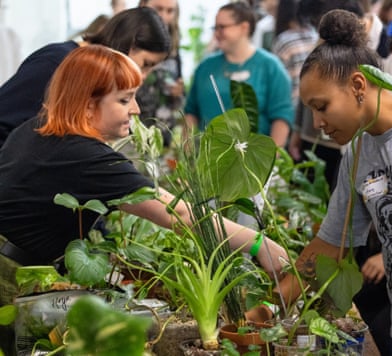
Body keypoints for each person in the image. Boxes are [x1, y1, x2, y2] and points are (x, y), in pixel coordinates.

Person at [0, 45, 287, 355]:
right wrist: (259, 244)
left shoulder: (37, 129)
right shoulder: (86, 156)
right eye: (124, 100)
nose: (136, 109)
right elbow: (180, 214)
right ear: (86, 106)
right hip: (10, 278)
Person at [247, 8, 392, 355]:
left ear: (357, 85)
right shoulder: (357, 154)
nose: (317, 122)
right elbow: (330, 245)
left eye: (321, 106)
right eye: (310, 110)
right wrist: (270, 308)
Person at [0, 7, 170, 149]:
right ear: (125, 43)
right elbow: (5, 118)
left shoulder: (98, 78)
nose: (143, 76)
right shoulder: (55, 62)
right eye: (145, 64)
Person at [184, 1, 294, 149]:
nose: (216, 33)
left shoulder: (270, 67)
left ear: (244, 27)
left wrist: (271, 160)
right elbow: (191, 112)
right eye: (215, 28)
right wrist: (187, 156)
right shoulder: (206, 67)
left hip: (252, 162)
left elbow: (282, 117)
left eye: (222, 27)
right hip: (210, 160)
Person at [137, 0, 184, 147]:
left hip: (163, 135)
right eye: (158, 9)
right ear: (143, 6)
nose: (163, 16)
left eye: (170, 11)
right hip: (133, 135)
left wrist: (178, 92)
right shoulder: (129, 40)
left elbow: (180, 94)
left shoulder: (174, 48)